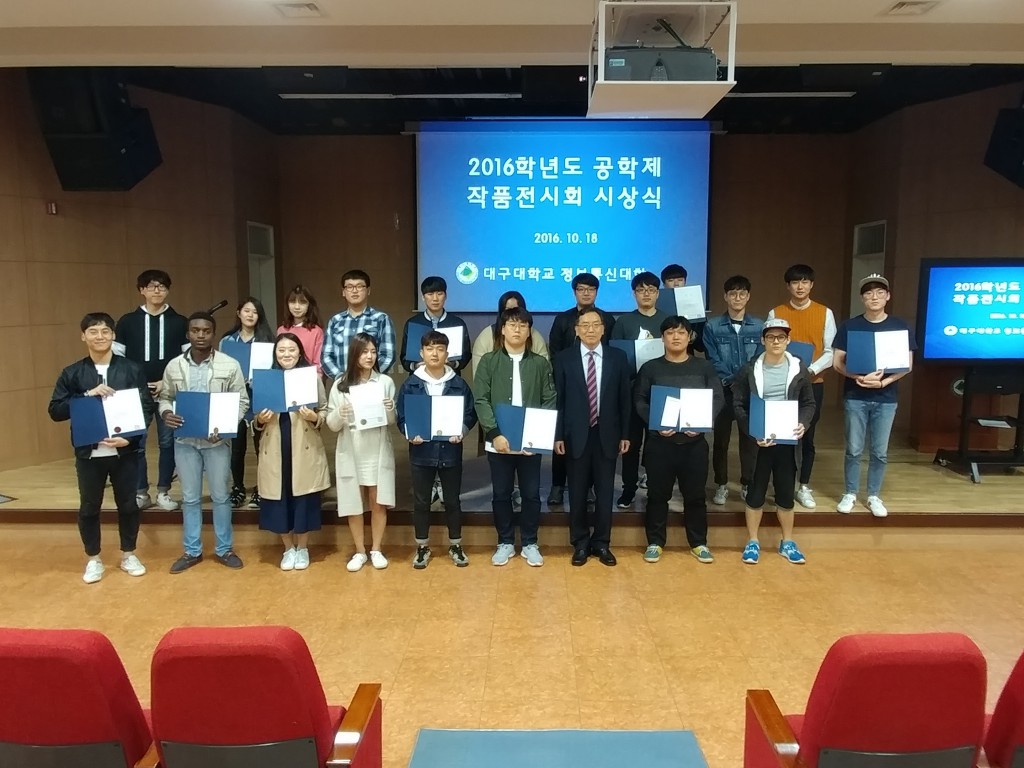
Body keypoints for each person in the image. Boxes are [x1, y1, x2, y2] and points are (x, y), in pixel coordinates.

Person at [48, 312, 154, 584]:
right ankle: (93, 558)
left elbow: (145, 407)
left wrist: (130, 439)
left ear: (113, 335)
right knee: (89, 507)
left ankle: (129, 554)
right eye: (93, 332)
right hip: (89, 452)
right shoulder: (72, 372)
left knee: (128, 505)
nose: (100, 337)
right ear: (83, 336)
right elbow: (55, 410)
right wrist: (87, 395)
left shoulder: (131, 369)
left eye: (105, 331)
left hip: (125, 451)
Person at [158, 312, 249, 573]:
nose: (200, 335)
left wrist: (226, 427)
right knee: (190, 498)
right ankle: (192, 551)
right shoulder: (174, 366)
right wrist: (166, 412)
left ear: (213, 334)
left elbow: (242, 401)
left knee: (221, 497)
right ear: (188, 334)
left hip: (216, 442)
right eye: (195, 330)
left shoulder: (229, 365)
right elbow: (165, 397)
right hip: (185, 441)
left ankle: (224, 549)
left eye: (206, 331)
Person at [634, 315, 723, 564]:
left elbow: (717, 398)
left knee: (695, 496)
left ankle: (698, 543)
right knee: (657, 496)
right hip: (659, 444)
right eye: (670, 332)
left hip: (694, 445)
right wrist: (656, 422)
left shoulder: (704, 367)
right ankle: (654, 542)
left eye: (681, 332)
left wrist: (703, 422)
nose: (676, 337)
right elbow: (639, 399)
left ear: (689, 337)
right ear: (662, 338)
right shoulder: (650, 368)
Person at [474, 306, 557, 567]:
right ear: (502, 329)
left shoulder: (540, 363)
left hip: (531, 443)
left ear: (529, 331)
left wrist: (538, 436)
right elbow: (481, 400)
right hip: (499, 442)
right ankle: (505, 541)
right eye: (512, 325)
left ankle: (530, 542)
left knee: (531, 494)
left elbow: (549, 399)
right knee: (502, 493)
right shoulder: (489, 361)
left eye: (523, 325)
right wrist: (495, 433)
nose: (517, 330)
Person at [732, 318, 816, 565]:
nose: (776, 341)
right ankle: (752, 541)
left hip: (788, 441)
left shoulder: (799, 369)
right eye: (770, 337)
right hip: (758, 442)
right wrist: (752, 431)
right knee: (755, 493)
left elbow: (809, 403)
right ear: (763, 340)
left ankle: (787, 541)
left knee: (786, 493)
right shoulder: (749, 369)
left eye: (781, 337)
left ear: (788, 340)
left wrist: (804, 423)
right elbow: (738, 404)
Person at [833, 274, 917, 518]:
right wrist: (857, 378)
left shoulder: (900, 326)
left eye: (880, 293)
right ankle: (850, 493)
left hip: (886, 398)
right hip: (855, 396)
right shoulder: (850, 326)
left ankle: (873, 495)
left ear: (888, 296)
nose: (874, 297)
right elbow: (838, 362)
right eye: (869, 293)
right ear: (862, 298)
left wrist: (884, 382)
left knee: (880, 451)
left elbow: (907, 365)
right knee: (854, 449)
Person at [554, 309, 631, 567]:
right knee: (576, 492)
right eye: (585, 325)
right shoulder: (563, 359)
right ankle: (580, 543)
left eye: (595, 324)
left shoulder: (618, 357)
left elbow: (624, 399)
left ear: (603, 329)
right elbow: (558, 400)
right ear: (576, 330)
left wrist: (625, 433)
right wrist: (557, 435)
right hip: (574, 434)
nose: (590, 329)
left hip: (607, 434)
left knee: (605, 492)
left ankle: (602, 543)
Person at [396, 330, 478, 569]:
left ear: (447, 354)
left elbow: (470, 413)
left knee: (452, 501)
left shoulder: (458, 383)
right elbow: (402, 416)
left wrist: (461, 431)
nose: (435, 353)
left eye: (440, 349)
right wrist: (409, 433)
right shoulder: (411, 384)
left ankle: (455, 544)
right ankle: (422, 546)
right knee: (421, 502)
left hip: (450, 451)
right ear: (421, 353)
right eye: (430, 348)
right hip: (421, 452)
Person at [253, 333, 330, 571]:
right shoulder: (266, 379)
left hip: (303, 446)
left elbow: (325, 409)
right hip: (275, 447)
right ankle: (288, 548)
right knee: (279, 498)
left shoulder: (311, 377)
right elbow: (254, 418)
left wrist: (314, 417)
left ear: (300, 353)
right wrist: (260, 419)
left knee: (303, 499)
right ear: (275, 354)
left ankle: (303, 548)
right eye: (281, 350)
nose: (286, 354)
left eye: (292, 350)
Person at [115, 269, 188, 512]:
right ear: (141, 290)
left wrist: (165, 383)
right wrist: (137, 384)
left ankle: (164, 491)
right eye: (151, 286)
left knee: (168, 442)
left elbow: (186, 360)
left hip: (169, 393)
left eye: (162, 286)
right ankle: (140, 492)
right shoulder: (127, 322)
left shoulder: (180, 322)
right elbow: (118, 360)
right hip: (136, 394)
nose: (157, 290)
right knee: (137, 442)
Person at [768, 264, 837, 510]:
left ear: (811, 285)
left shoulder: (824, 312)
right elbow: (771, 345)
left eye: (805, 282)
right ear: (788, 286)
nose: (800, 287)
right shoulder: (776, 312)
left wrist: (809, 371)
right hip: (781, 386)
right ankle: (782, 485)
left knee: (806, 436)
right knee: (780, 436)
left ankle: (804, 486)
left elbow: (830, 351)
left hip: (812, 383)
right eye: (795, 282)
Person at [326, 333, 397, 572]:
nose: (369, 356)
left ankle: (376, 548)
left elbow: (391, 421)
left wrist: (390, 409)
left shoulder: (385, 382)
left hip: (377, 448)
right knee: (353, 502)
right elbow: (331, 424)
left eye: (373, 352)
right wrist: (340, 414)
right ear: (354, 354)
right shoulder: (340, 383)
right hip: (352, 448)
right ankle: (359, 551)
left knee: (378, 501)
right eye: (364, 352)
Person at [546, 273, 615, 506]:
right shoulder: (563, 319)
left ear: (597, 292)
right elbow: (554, 351)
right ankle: (557, 485)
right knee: (564, 439)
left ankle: (588, 487)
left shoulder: (606, 319)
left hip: (597, 386)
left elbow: (611, 350)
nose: (586, 293)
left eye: (591, 289)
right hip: (568, 385)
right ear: (574, 292)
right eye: (581, 289)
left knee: (592, 444)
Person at [609, 271, 668, 508]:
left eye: (651, 290)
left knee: (657, 445)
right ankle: (629, 489)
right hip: (632, 392)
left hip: (661, 392)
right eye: (641, 290)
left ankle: (655, 487)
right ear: (634, 293)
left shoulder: (668, 320)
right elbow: (615, 357)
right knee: (630, 445)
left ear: (657, 293)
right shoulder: (624, 322)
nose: (646, 294)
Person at [703, 275, 763, 506]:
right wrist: (731, 381)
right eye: (733, 294)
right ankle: (721, 484)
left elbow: (759, 358)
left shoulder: (759, 326)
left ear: (748, 296)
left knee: (750, 440)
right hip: (723, 390)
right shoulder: (712, 326)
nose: (737, 298)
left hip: (750, 391)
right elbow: (712, 358)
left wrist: (744, 382)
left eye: (742, 293)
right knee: (721, 440)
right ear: (725, 297)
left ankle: (747, 483)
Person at [220, 297, 275, 510]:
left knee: (262, 447)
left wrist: (257, 380)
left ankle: (261, 489)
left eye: (255, 312)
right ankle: (238, 488)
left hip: (260, 399)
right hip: (235, 401)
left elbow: (274, 372)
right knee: (237, 448)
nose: (250, 315)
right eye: (246, 310)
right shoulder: (228, 341)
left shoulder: (267, 341)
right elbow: (221, 369)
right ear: (238, 313)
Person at [322, 270, 397, 378]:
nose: (354, 291)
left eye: (359, 286)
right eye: (349, 287)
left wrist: (368, 377)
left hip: (372, 383)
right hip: (343, 383)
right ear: (343, 292)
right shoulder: (335, 321)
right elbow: (326, 356)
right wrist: (340, 378)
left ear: (368, 290)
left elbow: (388, 355)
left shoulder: (381, 319)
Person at [400, 276, 472, 375]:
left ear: (445, 296)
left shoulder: (457, 323)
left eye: (439, 294)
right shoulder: (413, 323)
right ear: (423, 297)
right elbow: (404, 357)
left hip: (450, 377)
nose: (435, 299)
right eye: (430, 294)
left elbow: (466, 354)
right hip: (419, 378)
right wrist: (416, 366)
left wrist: (453, 364)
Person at [471, 290, 550, 375]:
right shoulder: (486, 336)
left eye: (515, 310)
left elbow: (545, 373)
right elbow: (479, 376)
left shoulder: (535, 336)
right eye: (508, 310)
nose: (512, 315)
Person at [277, 284, 325, 377]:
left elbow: (318, 364)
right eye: (292, 302)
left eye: (302, 302)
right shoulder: (281, 330)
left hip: (308, 377)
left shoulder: (316, 331)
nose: (297, 307)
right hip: (283, 377)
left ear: (309, 305)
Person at [661, 263, 706, 355]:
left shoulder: (696, 307)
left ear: (685, 282)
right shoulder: (657, 305)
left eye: (680, 280)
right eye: (671, 280)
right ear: (664, 284)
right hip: (662, 355)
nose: (676, 284)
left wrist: (692, 335)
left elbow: (701, 346)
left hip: (686, 355)